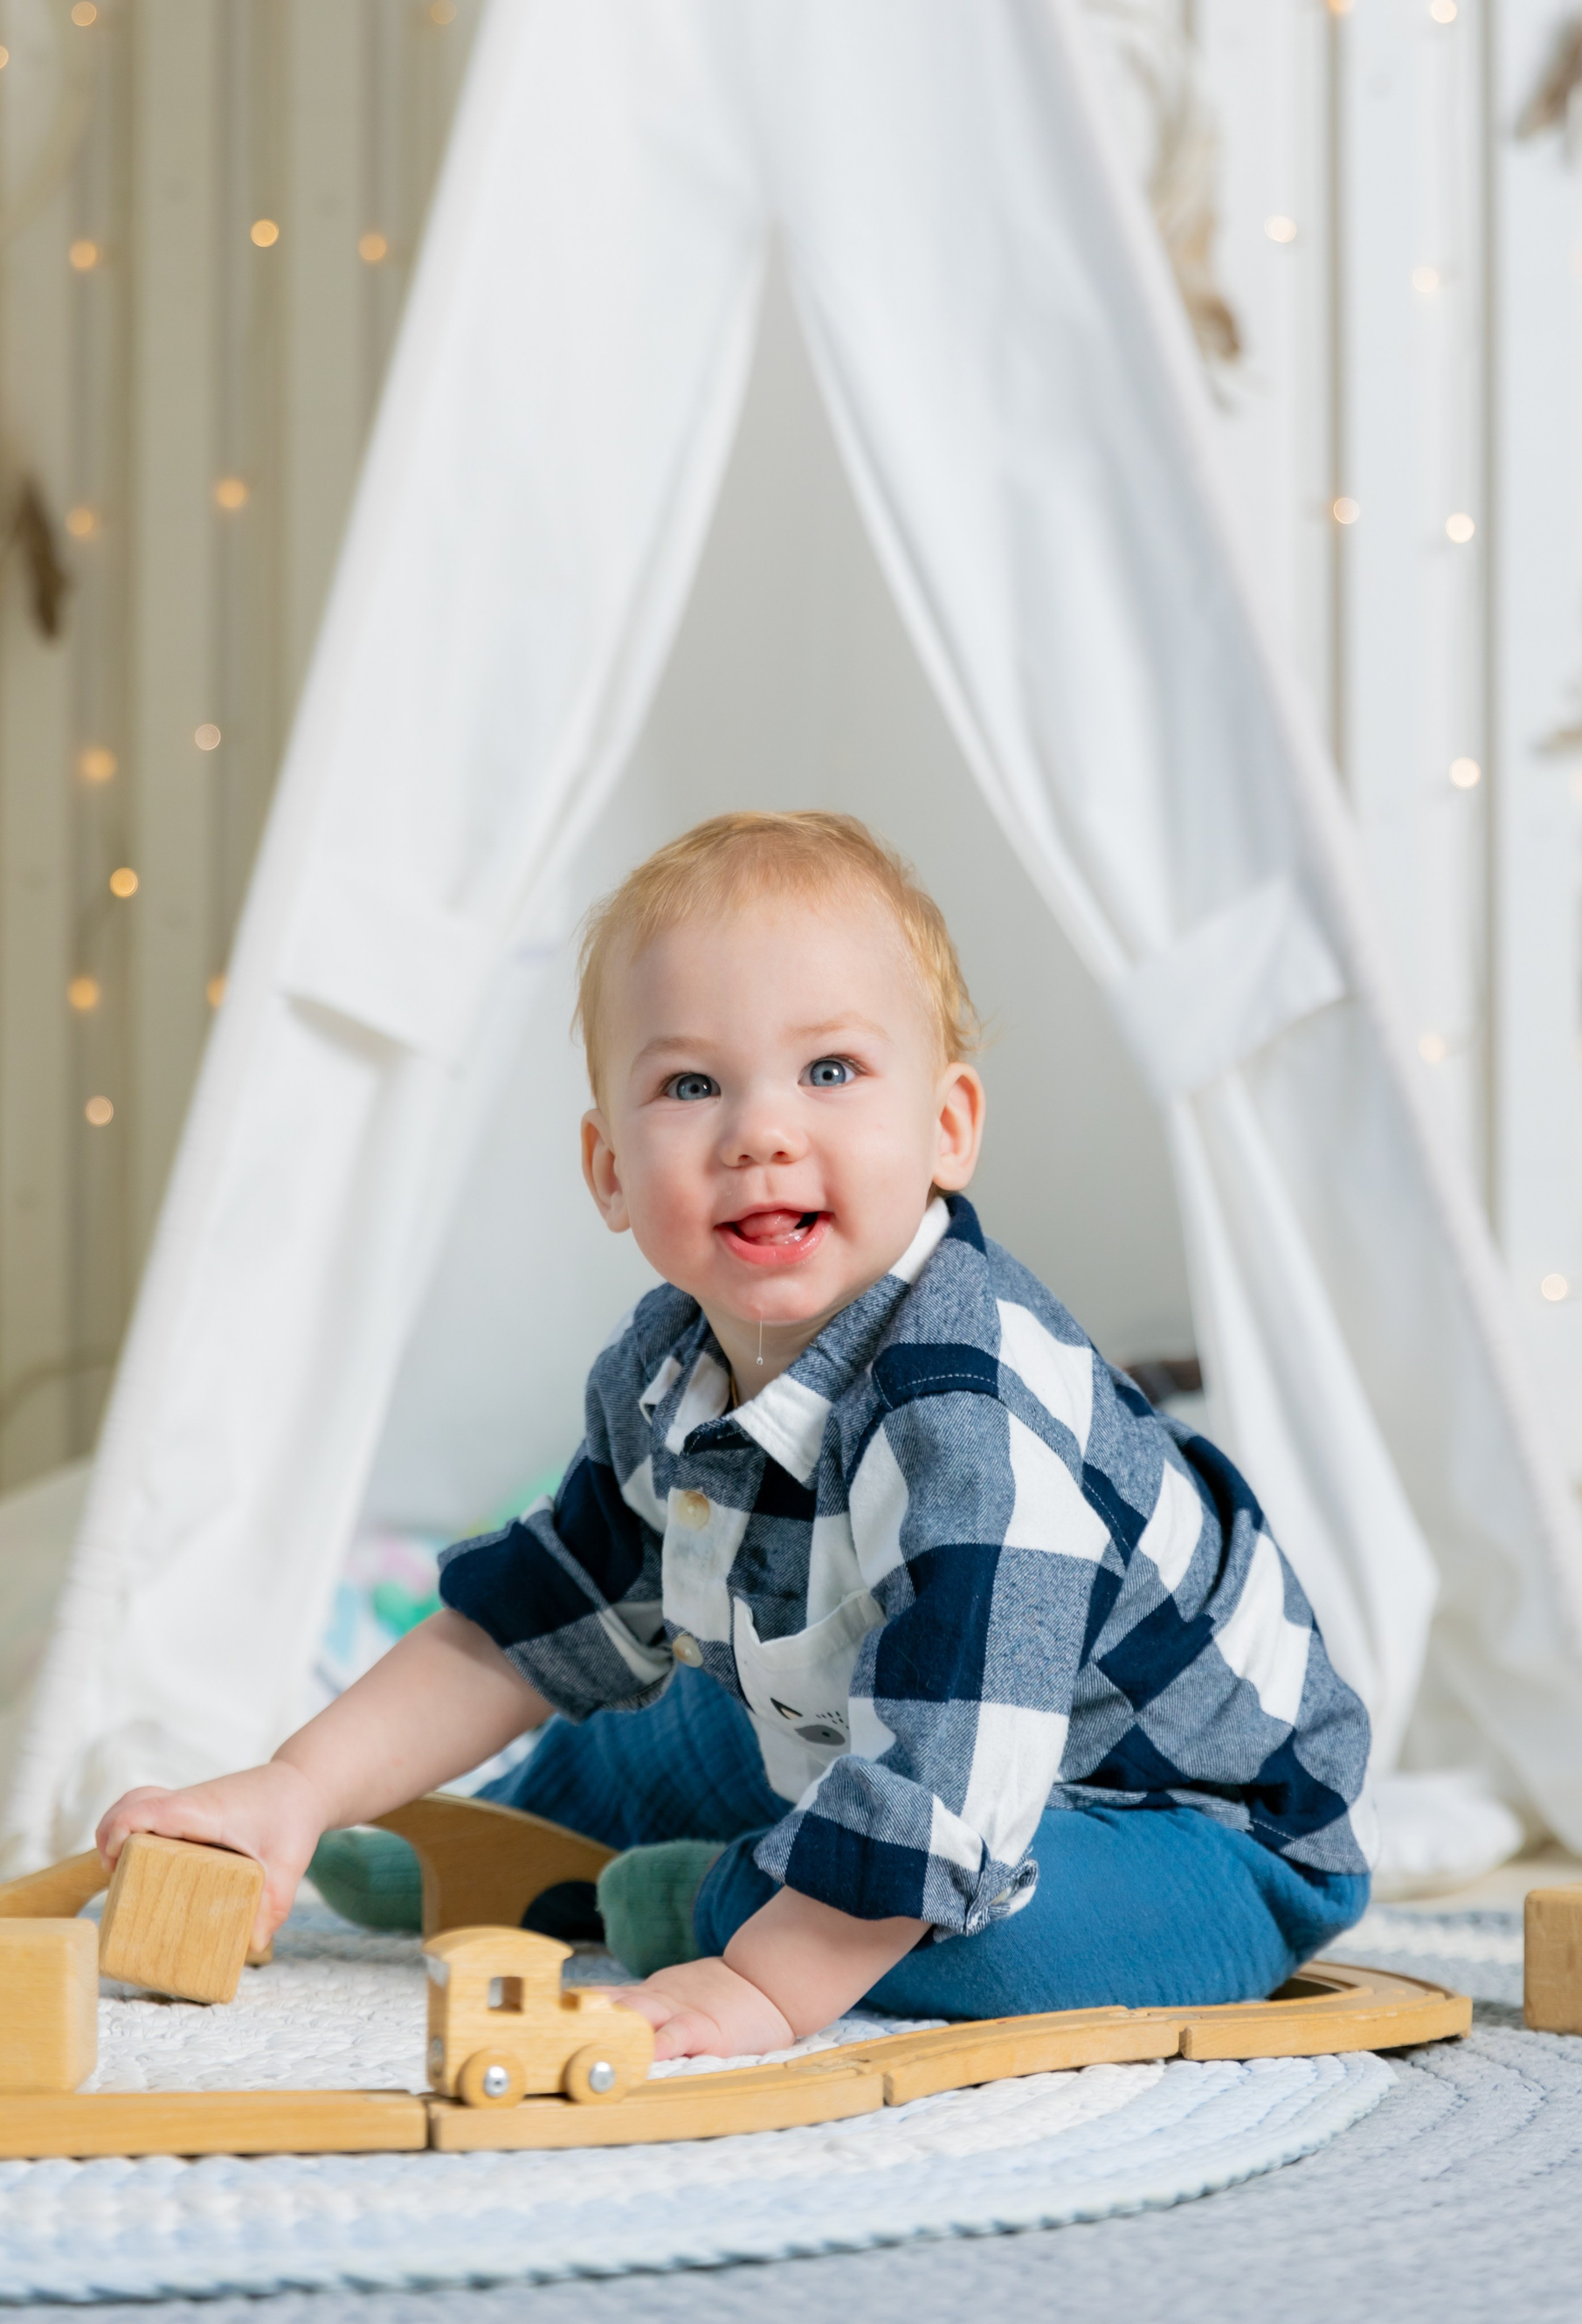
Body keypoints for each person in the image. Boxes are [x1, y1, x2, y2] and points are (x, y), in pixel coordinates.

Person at [97, 810, 1371, 2060]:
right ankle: (520, 1838)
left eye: (829, 1071)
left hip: (1182, 1824)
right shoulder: (661, 1367)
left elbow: (952, 1767)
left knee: (968, 1924)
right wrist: (297, 1787)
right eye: (690, 1082)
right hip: (887, 1725)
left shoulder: (967, 1408)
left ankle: (718, 1891)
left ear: (948, 1126)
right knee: (655, 1703)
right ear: (606, 1168)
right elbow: (534, 1616)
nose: (759, 1130)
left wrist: (760, 1980)